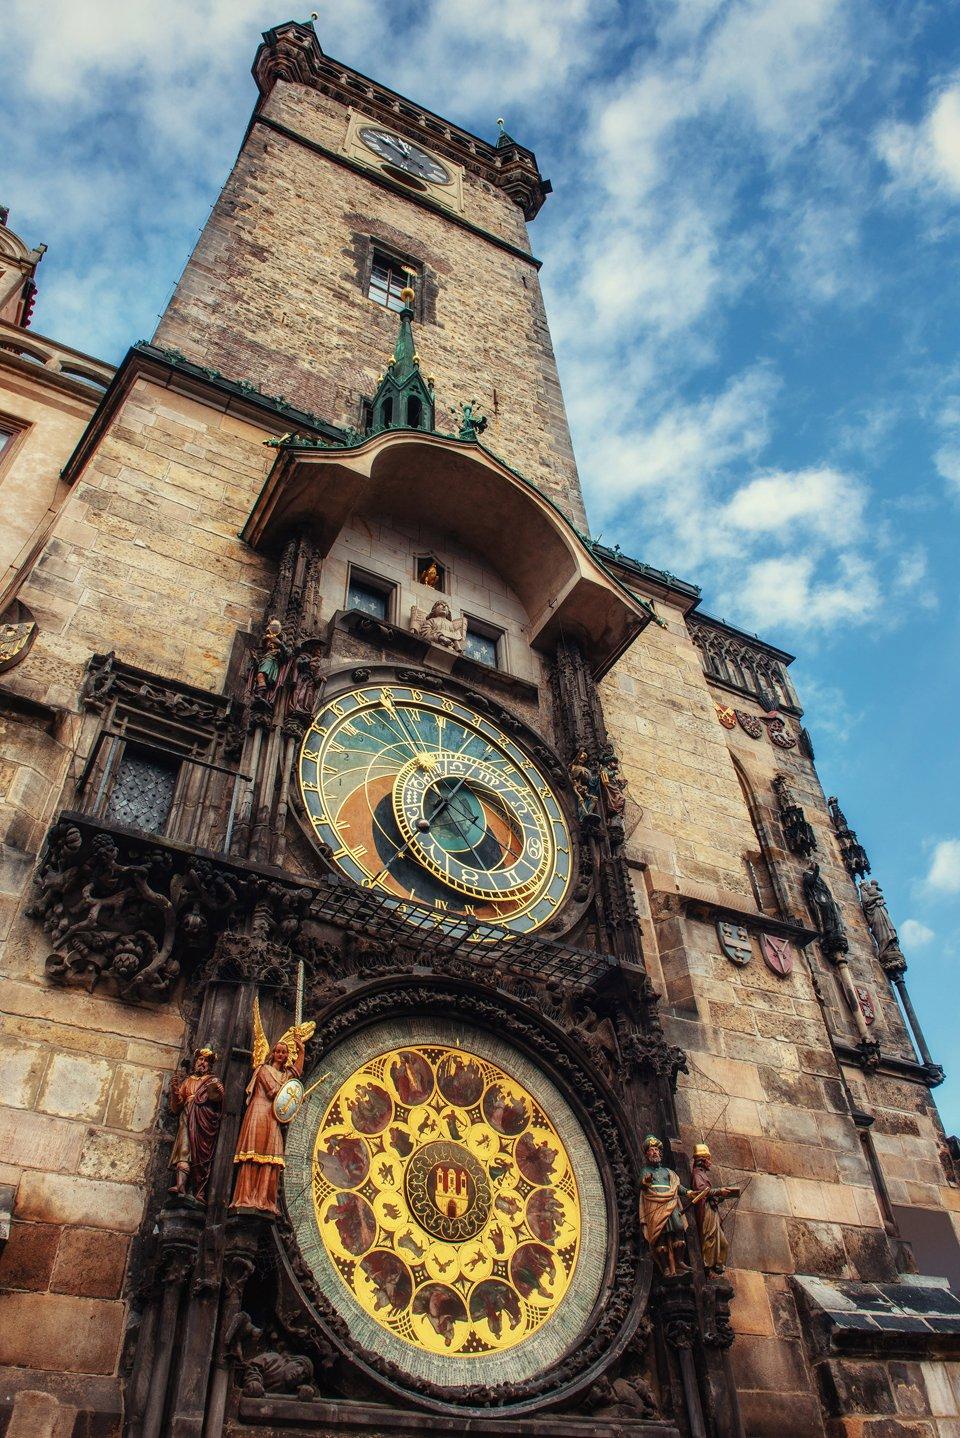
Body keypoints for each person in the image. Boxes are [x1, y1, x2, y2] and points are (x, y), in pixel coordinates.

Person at [231, 997, 315, 1215]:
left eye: (284, 1052)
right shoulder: (263, 1070)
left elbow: (296, 1074)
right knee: (254, 1154)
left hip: (273, 1117)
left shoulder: (285, 1074)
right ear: (273, 1053)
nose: (281, 1054)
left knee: (272, 1157)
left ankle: (265, 1199)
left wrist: (301, 1050)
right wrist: (292, 1095)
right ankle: (246, 1197)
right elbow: (275, 1092)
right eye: (278, 1051)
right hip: (260, 1112)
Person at [168, 1046, 224, 1204]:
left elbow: (218, 1099)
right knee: (184, 1149)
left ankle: (199, 1191)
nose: (202, 1063)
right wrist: (174, 1090)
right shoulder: (188, 1081)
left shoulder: (212, 1080)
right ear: (195, 1061)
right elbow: (176, 1107)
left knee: (202, 1155)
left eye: (206, 1061)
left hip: (204, 1121)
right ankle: (180, 1185)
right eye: (200, 1059)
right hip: (187, 1117)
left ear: (210, 1065)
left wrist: (218, 1091)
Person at [639, 1135, 691, 1276]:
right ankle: (666, 1266)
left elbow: (677, 1186)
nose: (654, 1152)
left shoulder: (667, 1172)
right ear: (647, 1154)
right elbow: (641, 1184)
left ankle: (679, 1261)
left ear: (660, 1153)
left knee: (679, 1228)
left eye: (656, 1150)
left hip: (670, 1203)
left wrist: (688, 1192)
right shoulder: (646, 1171)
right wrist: (646, 1181)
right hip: (655, 1204)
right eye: (651, 1150)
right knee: (659, 1235)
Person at [689, 1143, 740, 1273]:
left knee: (723, 1243)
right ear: (702, 1160)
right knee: (710, 1238)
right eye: (708, 1159)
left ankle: (717, 1266)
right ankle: (708, 1268)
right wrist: (718, 1191)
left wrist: (720, 1197)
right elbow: (701, 1191)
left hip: (712, 1209)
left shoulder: (702, 1174)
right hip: (706, 1211)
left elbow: (708, 1193)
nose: (710, 1162)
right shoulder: (697, 1174)